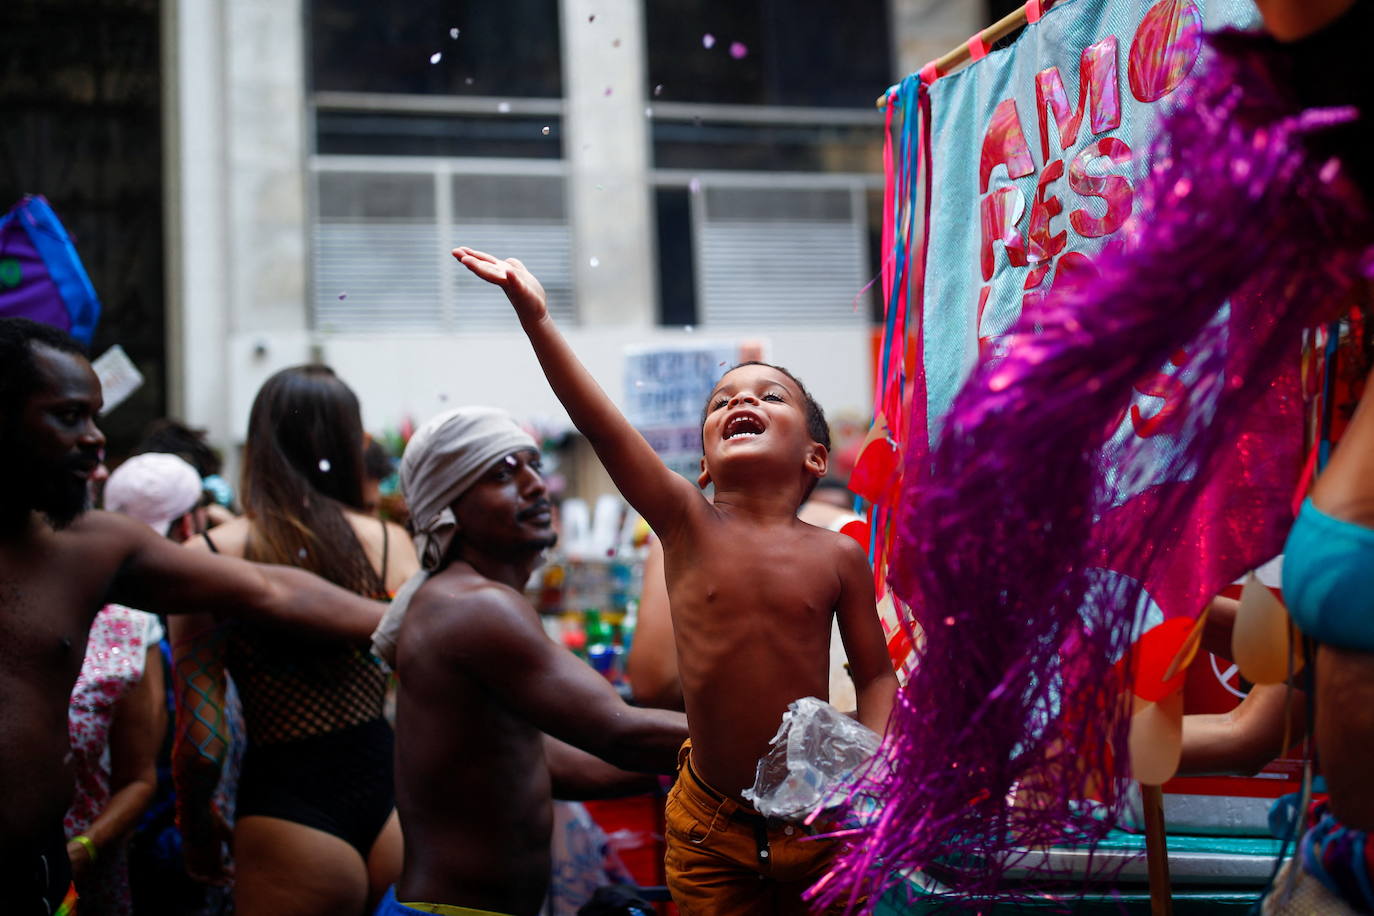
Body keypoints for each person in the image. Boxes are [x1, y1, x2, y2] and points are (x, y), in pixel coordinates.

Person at [456, 248, 897, 914]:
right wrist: (538, 320)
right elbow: (601, 425)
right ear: (702, 468)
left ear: (815, 457)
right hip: (710, 826)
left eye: (768, 395)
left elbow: (875, 675)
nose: (741, 401)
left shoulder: (838, 556)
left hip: (820, 820)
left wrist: (878, 766)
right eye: (722, 402)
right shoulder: (686, 524)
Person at [0, 317, 388, 916]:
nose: (97, 439)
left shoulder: (91, 546)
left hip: (43, 873)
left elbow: (268, 590)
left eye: (96, 417)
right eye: (70, 416)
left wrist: (410, 618)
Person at [367, 405, 688, 916]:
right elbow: (618, 730)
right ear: (447, 509)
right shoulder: (476, 606)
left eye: (532, 466)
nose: (536, 485)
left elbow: (549, 764)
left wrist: (697, 767)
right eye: (501, 474)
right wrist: (782, 742)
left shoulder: (463, 599)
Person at [171, 365, 418, 915]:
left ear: (260, 443)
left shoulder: (208, 558)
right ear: (350, 443)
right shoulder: (390, 542)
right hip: (393, 801)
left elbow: (202, 744)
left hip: (286, 809)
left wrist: (196, 828)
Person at [61, 453, 204, 913]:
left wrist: (85, 848)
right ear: (186, 524)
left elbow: (140, 773)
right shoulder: (181, 606)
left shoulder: (128, 618)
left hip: (115, 851)